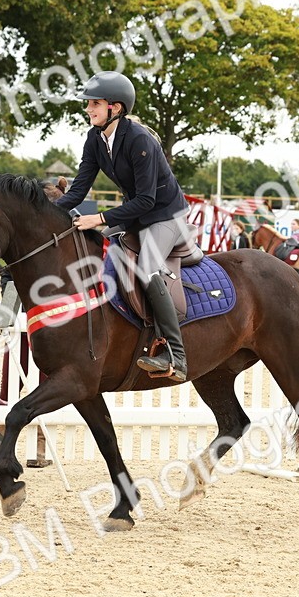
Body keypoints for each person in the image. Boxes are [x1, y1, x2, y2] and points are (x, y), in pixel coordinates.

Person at [56, 71, 191, 382]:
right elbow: (77, 191)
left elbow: (146, 200)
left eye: (94, 104)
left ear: (115, 108)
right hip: (137, 214)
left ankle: (176, 354)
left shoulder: (140, 140)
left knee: (147, 266)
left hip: (166, 214)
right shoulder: (94, 138)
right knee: (98, 253)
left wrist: (100, 218)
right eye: (88, 104)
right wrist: (45, 210)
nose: (88, 109)